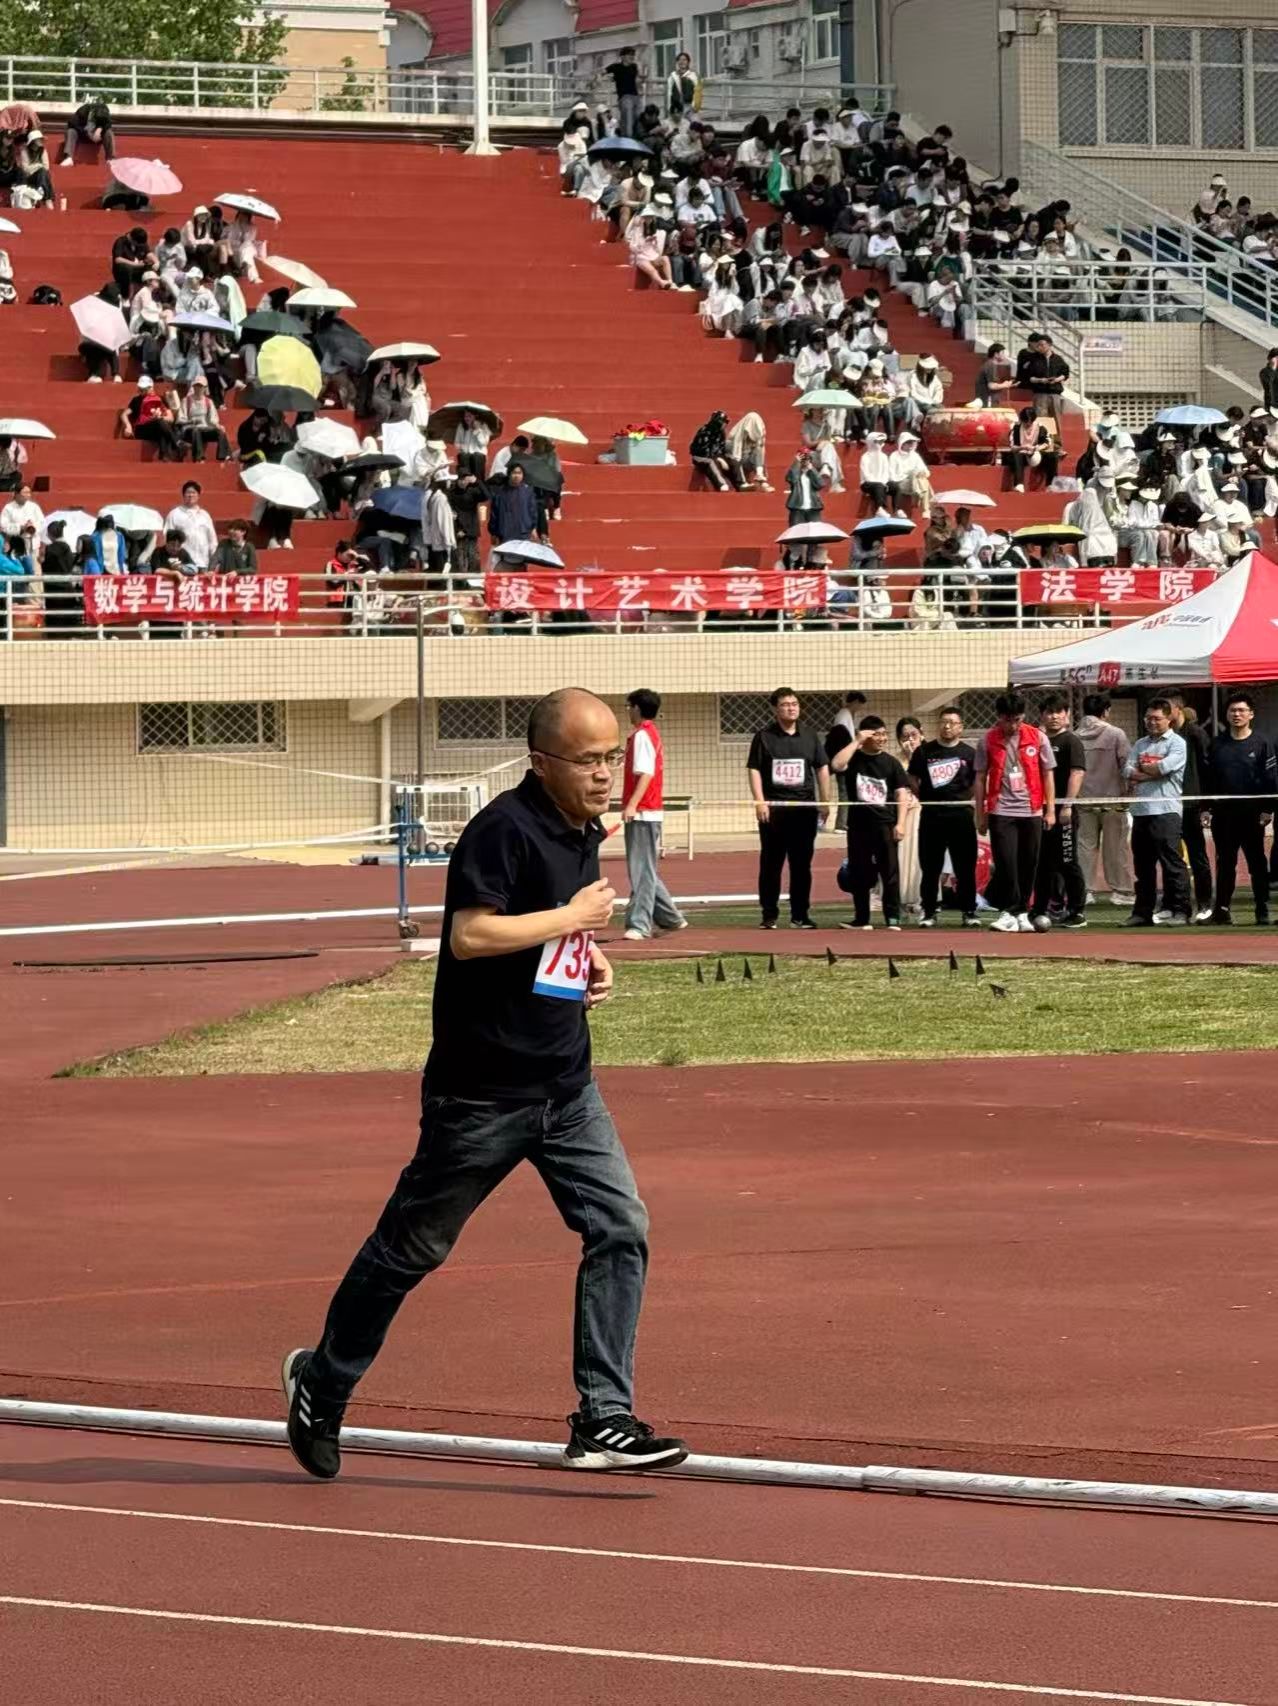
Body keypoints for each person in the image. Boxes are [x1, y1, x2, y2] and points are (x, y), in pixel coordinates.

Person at [282, 689, 687, 1480]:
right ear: (542, 762)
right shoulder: (502, 828)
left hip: (567, 1089)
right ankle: (322, 1383)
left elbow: (544, 923)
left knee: (621, 1226)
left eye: (611, 757)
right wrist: (570, 921)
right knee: (410, 1251)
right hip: (481, 1096)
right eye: (588, 760)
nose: (605, 774)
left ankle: (603, 1418)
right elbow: (470, 935)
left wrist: (587, 960)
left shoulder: (580, 828)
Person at [747, 688, 830, 930]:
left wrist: (825, 801)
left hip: (804, 811)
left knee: (801, 865)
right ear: (775, 709)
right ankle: (769, 915)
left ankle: (800, 915)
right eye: (785, 704)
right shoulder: (764, 736)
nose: (791, 708)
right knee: (771, 864)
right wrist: (760, 801)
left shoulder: (810, 736)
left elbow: (822, 768)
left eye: (794, 704)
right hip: (774, 811)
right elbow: (754, 769)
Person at [975, 692, 1056, 933]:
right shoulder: (987, 740)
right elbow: (980, 777)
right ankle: (1011, 911)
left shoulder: (1038, 737)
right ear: (999, 717)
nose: (1013, 725)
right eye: (1008, 720)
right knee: (1006, 864)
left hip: (1031, 810)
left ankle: (1019, 912)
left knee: (1028, 864)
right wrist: (980, 813)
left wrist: (1050, 810)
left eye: (1017, 720)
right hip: (1001, 810)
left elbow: (1048, 774)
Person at [829, 716, 911, 930]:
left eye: (884, 734)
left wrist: (901, 823)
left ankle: (892, 917)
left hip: (885, 824)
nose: (882, 738)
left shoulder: (891, 763)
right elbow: (836, 764)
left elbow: (901, 793)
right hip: (858, 826)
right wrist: (857, 741)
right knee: (859, 872)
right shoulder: (853, 759)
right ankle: (861, 918)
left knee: (889, 872)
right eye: (877, 734)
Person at [620, 689, 686, 942]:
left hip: (644, 811)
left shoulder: (642, 735)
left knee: (641, 871)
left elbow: (646, 773)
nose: (627, 711)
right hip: (647, 810)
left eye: (629, 706)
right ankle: (670, 918)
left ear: (637, 708)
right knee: (645, 869)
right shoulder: (649, 734)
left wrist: (632, 805)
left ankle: (640, 924)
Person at [1205, 691, 1275, 925]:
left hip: (1252, 816)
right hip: (1223, 816)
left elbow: (1271, 778)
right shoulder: (1217, 744)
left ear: (1251, 714)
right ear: (1226, 714)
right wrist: (1206, 808)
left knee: (1257, 863)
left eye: (1242, 710)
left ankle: (1262, 909)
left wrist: (1268, 809)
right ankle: (1222, 910)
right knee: (1225, 863)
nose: (1237, 714)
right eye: (1233, 710)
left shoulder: (1262, 743)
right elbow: (1209, 780)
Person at [1121, 699, 1191, 927]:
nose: (1151, 722)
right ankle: (1142, 912)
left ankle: (1180, 910)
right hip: (1141, 811)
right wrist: (1149, 772)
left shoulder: (1177, 743)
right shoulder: (1140, 743)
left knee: (1172, 864)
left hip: (1166, 811)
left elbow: (1163, 768)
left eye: (1157, 718)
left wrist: (1145, 769)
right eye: (1148, 718)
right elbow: (1127, 770)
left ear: (1169, 718)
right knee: (1143, 866)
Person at [910, 706, 979, 927]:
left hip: (961, 816)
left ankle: (969, 911)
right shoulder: (923, 752)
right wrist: (923, 796)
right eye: (943, 722)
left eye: (952, 722)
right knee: (930, 867)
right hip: (932, 816)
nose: (947, 726)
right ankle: (929, 911)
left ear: (961, 727)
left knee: (964, 867)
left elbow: (977, 783)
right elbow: (912, 778)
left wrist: (964, 798)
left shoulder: (970, 754)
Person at [1030, 695, 1088, 929]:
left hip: (1063, 812)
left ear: (1067, 715)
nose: (1054, 716)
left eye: (1059, 712)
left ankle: (1077, 911)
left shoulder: (1071, 741)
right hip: (1040, 811)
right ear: (1042, 715)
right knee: (1042, 863)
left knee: (1067, 861)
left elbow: (1077, 773)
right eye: (1049, 712)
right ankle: (1039, 908)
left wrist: (1067, 806)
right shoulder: (1037, 740)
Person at [1075, 693, 1134, 908]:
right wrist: (1129, 793)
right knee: (1116, 847)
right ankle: (1121, 891)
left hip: (1083, 799)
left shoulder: (1074, 736)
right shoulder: (1116, 734)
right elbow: (1127, 765)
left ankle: (1085, 890)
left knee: (1084, 847)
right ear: (1106, 711)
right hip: (1112, 799)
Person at [1166, 692, 1213, 922]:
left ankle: (1204, 903)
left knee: (1197, 855)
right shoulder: (1164, 736)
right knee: (1171, 857)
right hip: (1168, 805)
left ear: (1178, 709)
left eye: (1167, 709)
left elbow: (1207, 768)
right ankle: (1175, 905)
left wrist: (1206, 805)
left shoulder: (1195, 734)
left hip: (1192, 804)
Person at [162, 481, 218, 570]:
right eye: (188, 492)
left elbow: (212, 540)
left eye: (193, 493)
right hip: (183, 564)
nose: (190, 495)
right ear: (183, 495)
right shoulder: (175, 514)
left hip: (203, 563)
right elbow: (167, 537)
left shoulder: (205, 515)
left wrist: (214, 561)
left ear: (198, 495)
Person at [59, 98, 115, 166]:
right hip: (83, 135)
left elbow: (108, 124)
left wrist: (100, 129)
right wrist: (86, 132)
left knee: (109, 132)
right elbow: (71, 123)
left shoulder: (104, 110)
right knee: (71, 131)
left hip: (97, 137)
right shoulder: (83, 110)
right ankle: (68, 158)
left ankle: (111, 159)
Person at [606, 46, 642, 138]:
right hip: (624, 97)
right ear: (623, 56)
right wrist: (602, 77)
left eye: (633, 55)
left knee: (638, 117)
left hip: (636, 96)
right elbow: (603, 72)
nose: (632, 57)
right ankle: (627, 138)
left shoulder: (634, 67)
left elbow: (638, 78)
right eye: (629, 55)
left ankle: (635, 138)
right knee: (628, 119)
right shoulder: (616, 67)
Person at [666, 52, 701, 120]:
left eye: (684, 60)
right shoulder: (673, 76)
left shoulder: (694, 75)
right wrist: (669, 107)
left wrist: (694, 107)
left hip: (690, 107)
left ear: (688, 62)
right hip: (676, 108)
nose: (682, 62)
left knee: (695, 123)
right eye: (680, 60)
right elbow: (669, 92)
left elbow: (697, 92)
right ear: (677, 62)